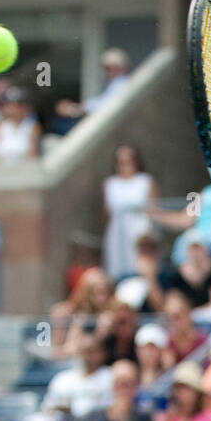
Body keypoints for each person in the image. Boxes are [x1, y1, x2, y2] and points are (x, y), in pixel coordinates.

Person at [102, 145, 158, 279]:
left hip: (140, 233)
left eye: (129, 161)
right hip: (116, 234)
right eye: (121, 162)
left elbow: (154, 210)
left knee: (139, 270)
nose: (126, 165)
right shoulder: (109, 183)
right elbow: (107, 213)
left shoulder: (145, 181)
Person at [40, 331, 113, 421]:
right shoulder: (62, 379)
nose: (87, 356)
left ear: (102, 353)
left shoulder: (111, 376)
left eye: (92, 351)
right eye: (83, 351)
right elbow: (48, 409)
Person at [75, 359, 152, 421]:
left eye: (128, 384)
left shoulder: (144, 419)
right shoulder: (93, 418)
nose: (123, 389)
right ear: (112, 385)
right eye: (119, 383)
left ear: (136, 386)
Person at [55, 47, 131, 122]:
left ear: (119, 68)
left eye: (108, 68)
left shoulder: (121, 84)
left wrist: (73, 109)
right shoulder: (118, 84)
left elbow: (105, 106)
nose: (105, 72)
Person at [0, 87, 40, 164]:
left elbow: (33, 154)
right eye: (8, 105)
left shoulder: (32, 127)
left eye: (15, 105)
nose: (9, 109)